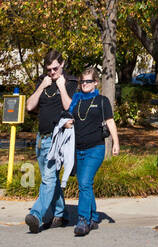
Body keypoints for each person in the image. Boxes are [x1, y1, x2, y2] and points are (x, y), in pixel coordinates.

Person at [24, 50, 79, 233]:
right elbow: (30, 106)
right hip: (41, 138)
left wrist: (61, 86)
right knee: (50, 179)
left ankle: (36, 215)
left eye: (55, 68)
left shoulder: (70, 82)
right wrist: (41, 87)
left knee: (48, 179)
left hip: (56, 139)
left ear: (62, 64)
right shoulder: (43, 81)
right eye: (49, 70)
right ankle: (60, 213)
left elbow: (68, 106)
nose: (52, 73)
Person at [65, 65, 119, 237]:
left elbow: (110, 122)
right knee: (85, 184)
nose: (85, 84)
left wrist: (116, 143)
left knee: (85, 183)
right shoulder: (76, 100)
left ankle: (83, 220)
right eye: (82, 81)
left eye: (89, 81)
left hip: (95, 149)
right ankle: (94, 216)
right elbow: (67, 117)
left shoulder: (102, 101)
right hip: (78, 150)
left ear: (96, 82)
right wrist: (66, 123)